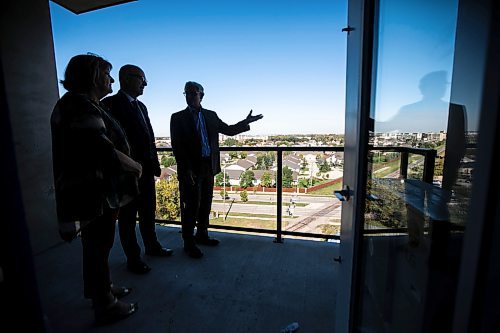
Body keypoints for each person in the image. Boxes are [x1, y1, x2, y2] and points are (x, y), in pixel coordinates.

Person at [50, 54, 141, 324]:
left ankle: (100, 288)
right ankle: (106, 304)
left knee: (97, 247)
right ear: (91, 76)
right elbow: (104, 150)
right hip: (92, 191)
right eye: (106, 74)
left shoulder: (83, 104)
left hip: (96, 191)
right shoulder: (79, 106)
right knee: (98, 246)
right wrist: (135, 167)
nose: (111, 79)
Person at [170, 81, 263, 258]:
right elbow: (177, 147)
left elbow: (228, 130)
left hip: (208, 167)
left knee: (205, 203)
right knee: (190, 206)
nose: (189, 96)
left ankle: (202, 235)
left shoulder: (211, 115)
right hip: (190, 169)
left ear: (201, 95)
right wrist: (186, 169)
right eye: (187, 93)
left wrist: (246, 122)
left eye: (193, 93)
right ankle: (188, 243)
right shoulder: (177, 117)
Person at [103, 65, 172, 275]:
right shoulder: (110, 104)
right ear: (126, 78)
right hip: (126, 174)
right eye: (142, 79)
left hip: (146, 171)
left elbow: (149, 138)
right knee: (128, 218)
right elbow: (110, 143)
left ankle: (152, 246)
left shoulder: (141, 107)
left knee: (148, 212)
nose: (146, 84)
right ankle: (133, 258)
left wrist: (155, 167)